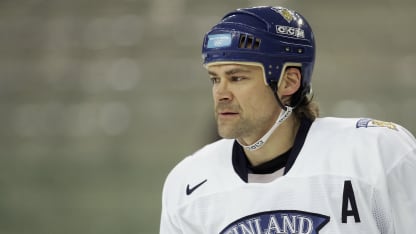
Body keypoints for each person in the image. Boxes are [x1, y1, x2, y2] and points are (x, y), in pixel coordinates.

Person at [160, 6, 416, 234]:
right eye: (215, 79)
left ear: (289, 82)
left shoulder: (376, 154)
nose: (221, 94)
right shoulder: (189, 183)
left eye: (237, 78)